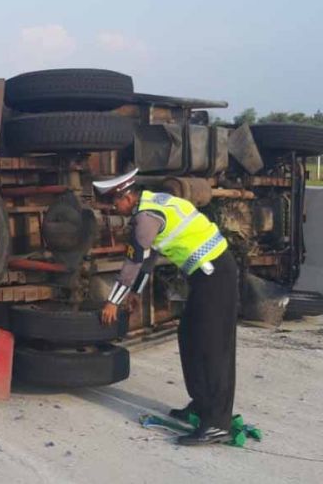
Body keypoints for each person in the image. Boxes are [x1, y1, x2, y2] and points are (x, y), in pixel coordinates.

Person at [94, 168, 239, 446]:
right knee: (190, 336)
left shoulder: (144, 218)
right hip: (204, 275)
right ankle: (201, 404)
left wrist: (113, 300)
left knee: (213, 347)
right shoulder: (154, 203)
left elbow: (134, 261)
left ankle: (218, 423)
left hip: (216, 273)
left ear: (127, 197)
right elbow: (150, 257)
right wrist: (135, 292)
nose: (113, 208)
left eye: (114, 201)